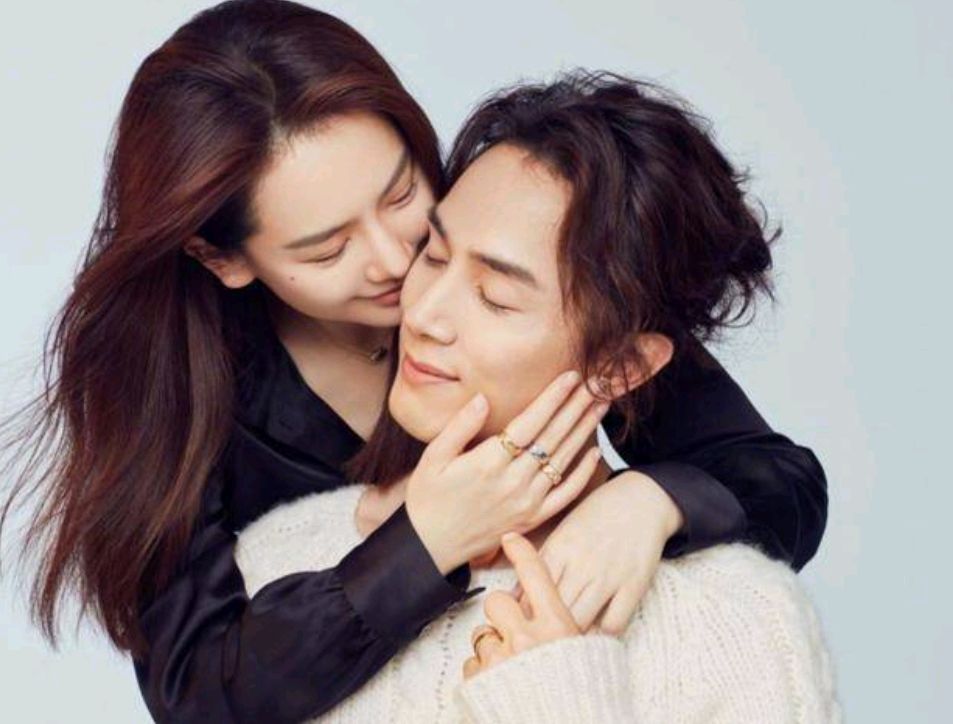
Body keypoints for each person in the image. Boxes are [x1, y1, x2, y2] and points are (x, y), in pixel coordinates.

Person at [0, 2, 827, 722]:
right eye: (327, 249)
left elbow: (772, 475)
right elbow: (199, 692)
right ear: (223, 259)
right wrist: (426, 541)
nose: (402, 267)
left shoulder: (521, 257)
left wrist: (648, 502)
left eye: (402, 197)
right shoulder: (175, 399)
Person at [233, 70, 839, 723]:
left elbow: (779, 476)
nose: (422, 313)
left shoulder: (736, 617)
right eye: (432, 256)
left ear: (621, 366)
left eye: (495, 298)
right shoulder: (278, 561)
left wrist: (555, 696)